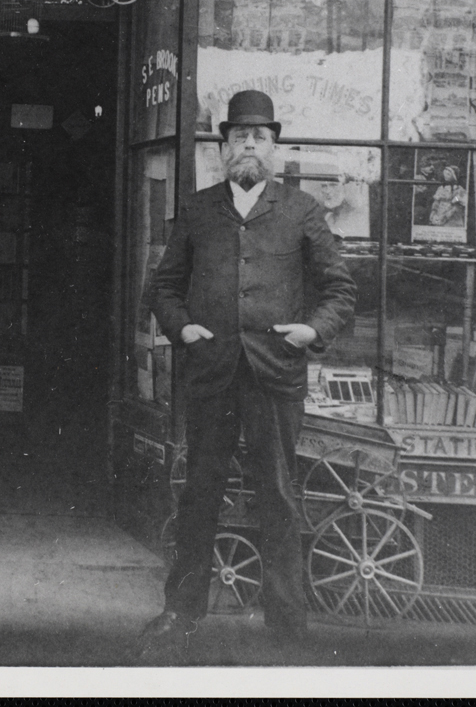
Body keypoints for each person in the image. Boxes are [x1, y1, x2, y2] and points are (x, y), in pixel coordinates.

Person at [138, 90, 357, 651]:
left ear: (274, 146)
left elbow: (339, 289)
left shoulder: (300, 209)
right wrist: (182, 327)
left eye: (259, 136)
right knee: (200, 495)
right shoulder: (198, 208)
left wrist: (312, 331)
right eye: (239, 136)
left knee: (279, 496)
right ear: (224, 147)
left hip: (275, 374)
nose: (249, 145)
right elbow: (164, 286)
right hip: (212, 373)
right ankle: (181, 613)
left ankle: (287, 624)